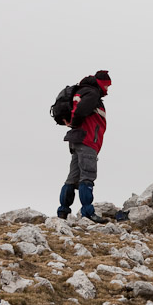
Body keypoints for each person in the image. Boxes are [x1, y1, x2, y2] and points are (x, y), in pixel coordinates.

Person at [57, 70, 111, 223]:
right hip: (88, 140)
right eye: (107, 85)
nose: (108, 89)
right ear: (101, 82)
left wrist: (71, 123)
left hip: (77, 140)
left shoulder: (81, 92)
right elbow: (80, 111)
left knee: (72, 178)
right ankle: (88, 212)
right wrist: (74, 122)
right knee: (87, 177)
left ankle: (63, 211)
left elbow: (77, 110)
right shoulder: (93, 94)